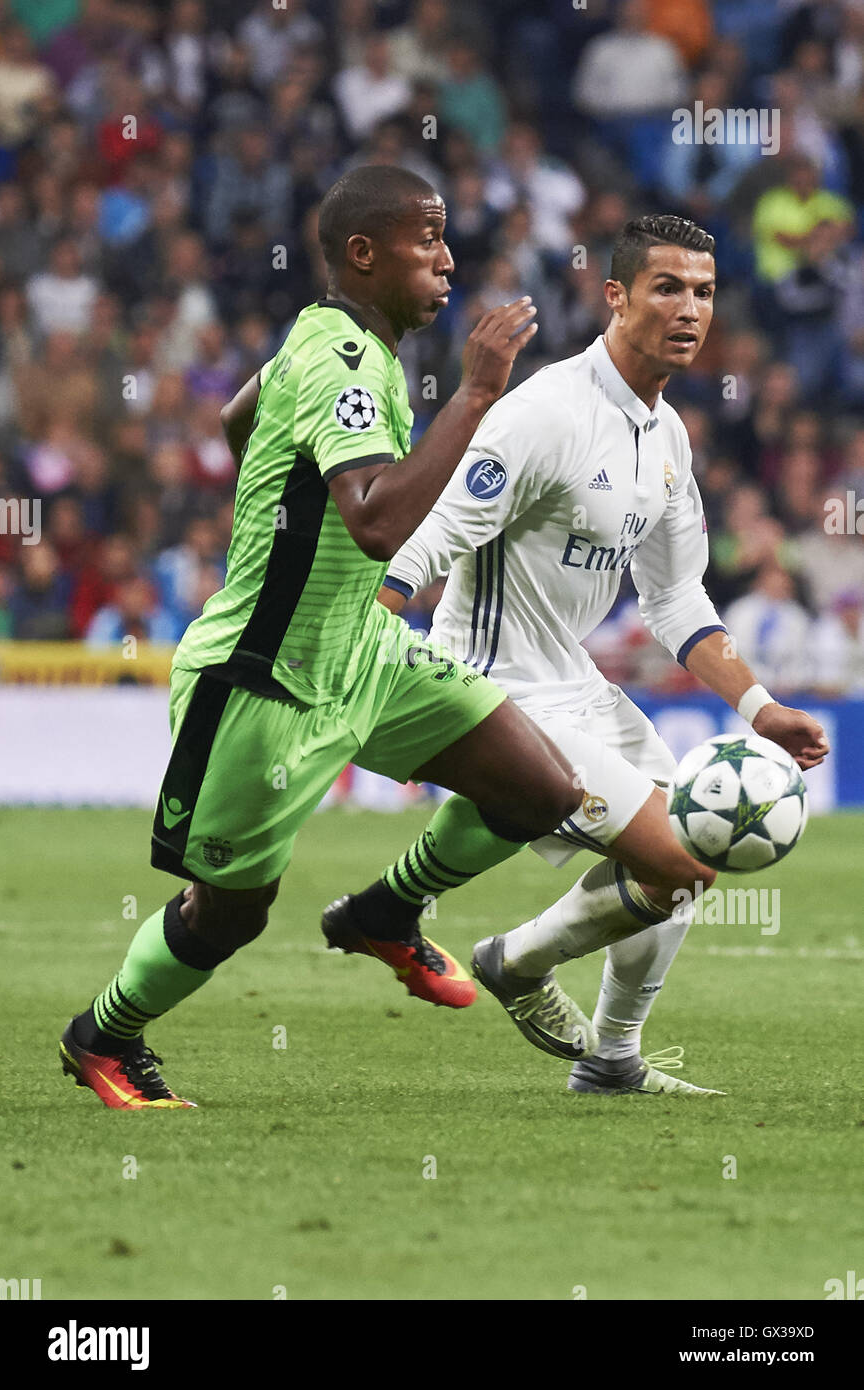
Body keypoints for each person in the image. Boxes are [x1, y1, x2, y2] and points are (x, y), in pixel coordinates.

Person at [58, 164, 586, 1110]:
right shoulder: (345, 359)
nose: (447, 259)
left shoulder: (324, 335)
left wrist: (281, 505)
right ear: (363, 253)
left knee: (540, 790)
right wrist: (475, 395)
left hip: (366, 653)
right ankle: (104, 1033)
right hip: (269, 679)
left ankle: (389, 910)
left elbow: (237, 419)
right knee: (231, 914)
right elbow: (379, 523)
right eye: (427, 241)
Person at [353, 215, 829, 1096]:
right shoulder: (545, 413)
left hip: (570, 678)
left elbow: (678, 599)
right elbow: (427, 540)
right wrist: (371, 664)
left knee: (693, 852)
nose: (691, 310)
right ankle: (519, 964)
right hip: (490, 685)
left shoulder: (668, 437)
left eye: (705, 292)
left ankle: (611, 1057)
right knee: (679, 859)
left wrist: (760, 708)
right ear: (615, 295)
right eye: (668, 288)